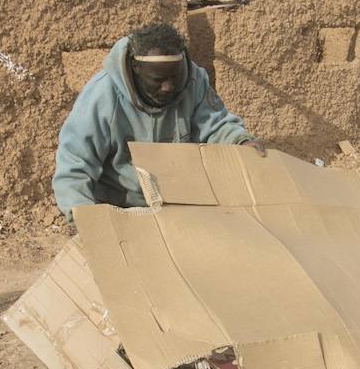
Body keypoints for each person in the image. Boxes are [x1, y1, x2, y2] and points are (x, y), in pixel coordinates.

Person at [53, 22, 265, 221]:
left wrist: (240, 142)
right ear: (136, 69)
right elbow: (75, 164)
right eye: (157, 80)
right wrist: (86, 218)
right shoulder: (102, 96)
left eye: (174, 76)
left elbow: (216, 126)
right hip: (122, 210)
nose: (168, 87)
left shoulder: (194, 81)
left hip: (180, 206)